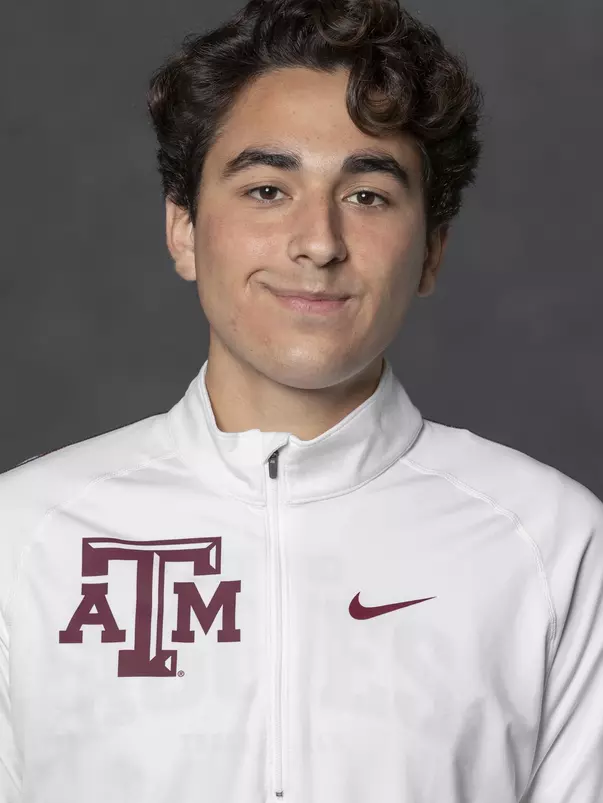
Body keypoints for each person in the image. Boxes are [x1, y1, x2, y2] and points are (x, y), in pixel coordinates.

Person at [1, 0, 601, 800]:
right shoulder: (25, 537)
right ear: (183, 228)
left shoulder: (551, 544)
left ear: (431, 251)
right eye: (265, 189)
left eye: (367, 196)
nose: (317, 241)